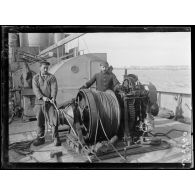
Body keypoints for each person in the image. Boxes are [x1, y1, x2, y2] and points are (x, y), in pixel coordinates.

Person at [32, 61, 61, 146]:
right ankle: (40, 138)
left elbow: (54, 88)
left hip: (50, 103)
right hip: (39, 102)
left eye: (47, 68)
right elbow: (35, 89)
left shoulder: (52, 77)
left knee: (53, 120)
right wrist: (42, 97)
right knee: (40, 121)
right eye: (44, 68)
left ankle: (56, 138)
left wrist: (53, 97)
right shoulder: (35, 78)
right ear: (40, 67)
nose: (45, 69)